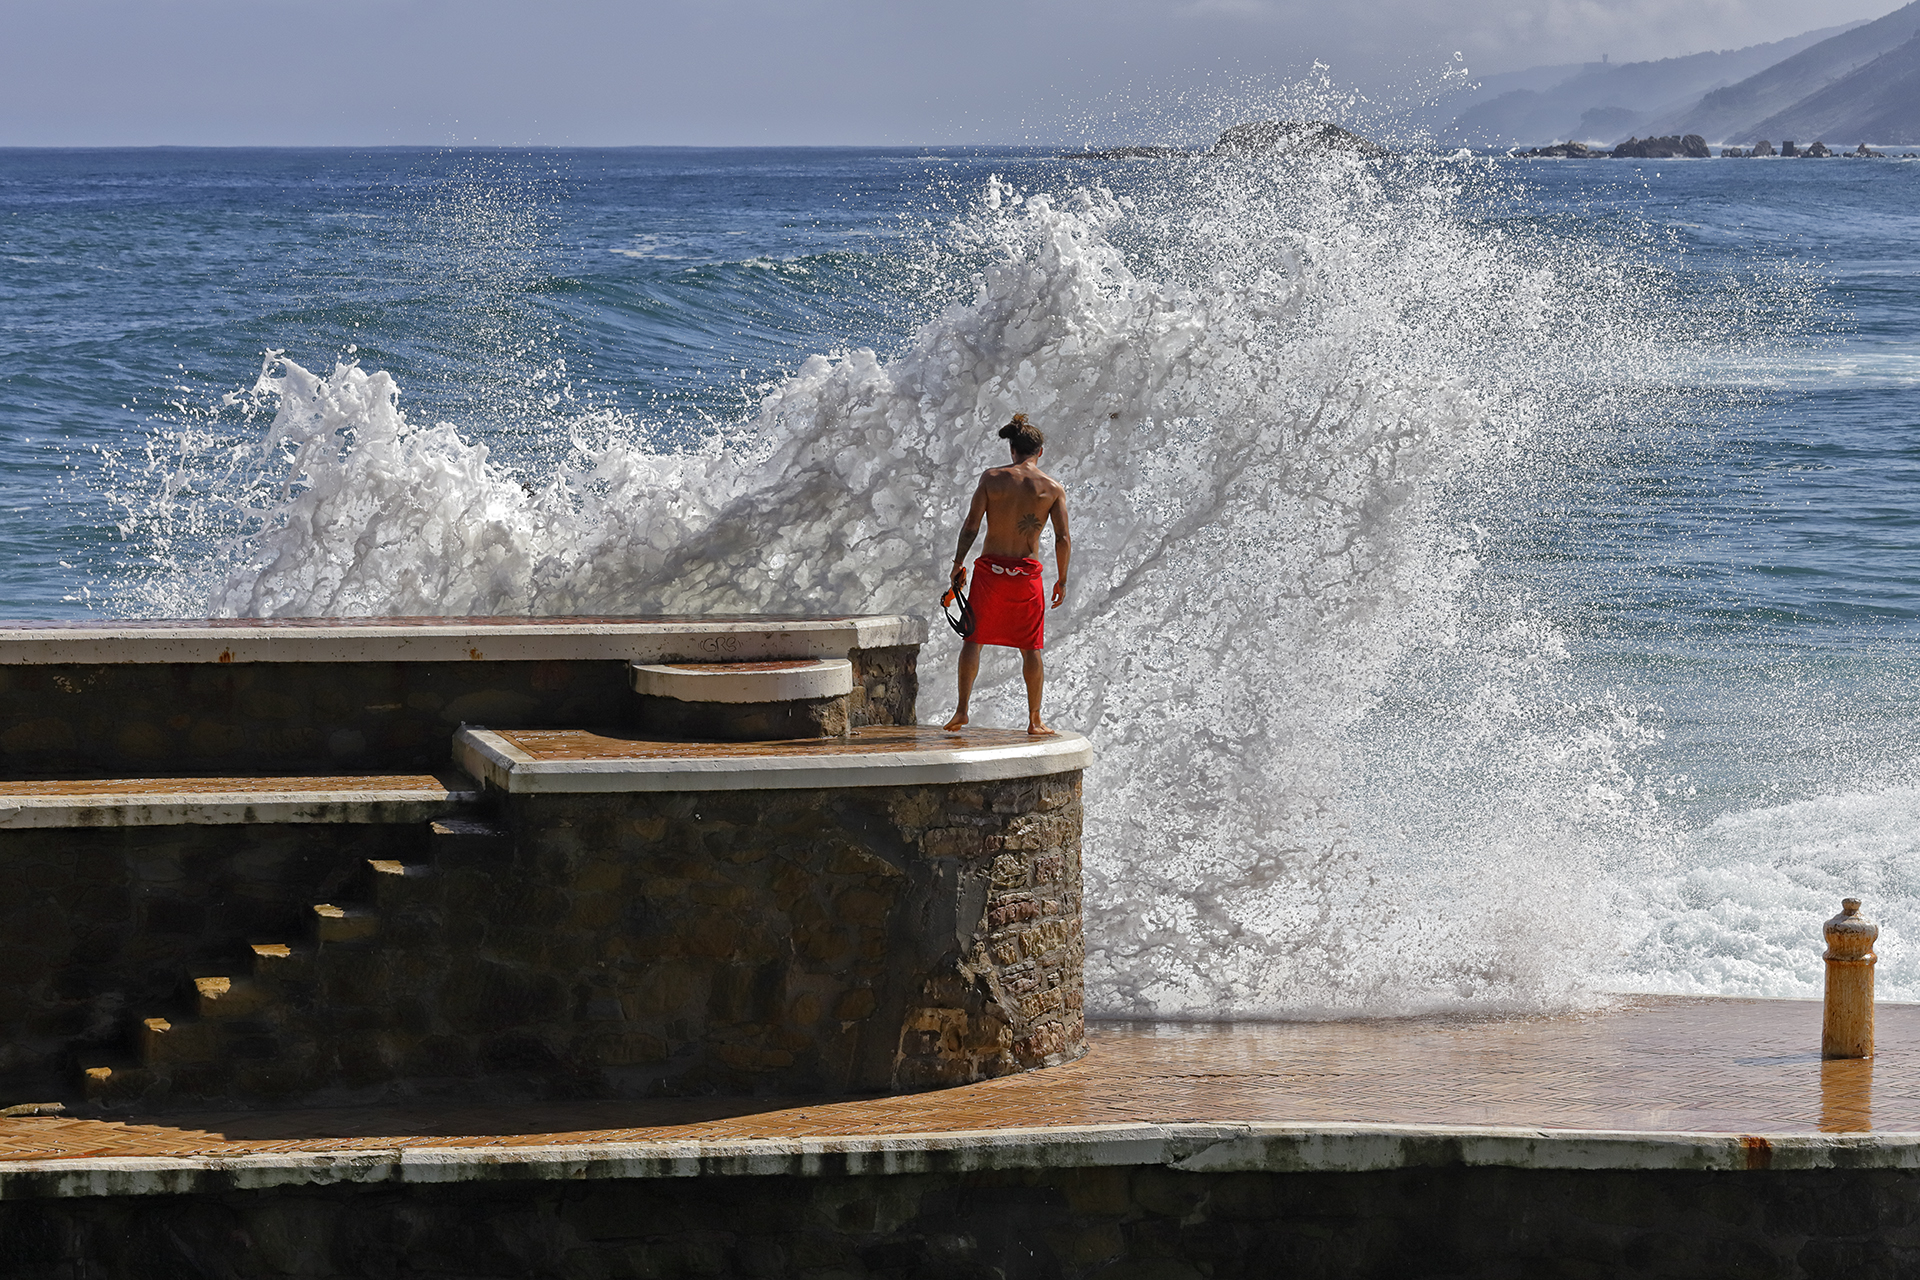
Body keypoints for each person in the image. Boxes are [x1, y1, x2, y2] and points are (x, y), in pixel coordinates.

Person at [944, 413, 1071, 735]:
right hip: (1025, 576)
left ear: (1012, 450)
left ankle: (961, 712)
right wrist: (1062, 579)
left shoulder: (991, 479)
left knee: (973, 641)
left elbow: (971, 526)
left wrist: (958, 564)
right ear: (1039, 451)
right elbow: (1062, 538)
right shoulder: (1053, 489)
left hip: (990, 573)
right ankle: (1035, 719)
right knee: (1031, 647)